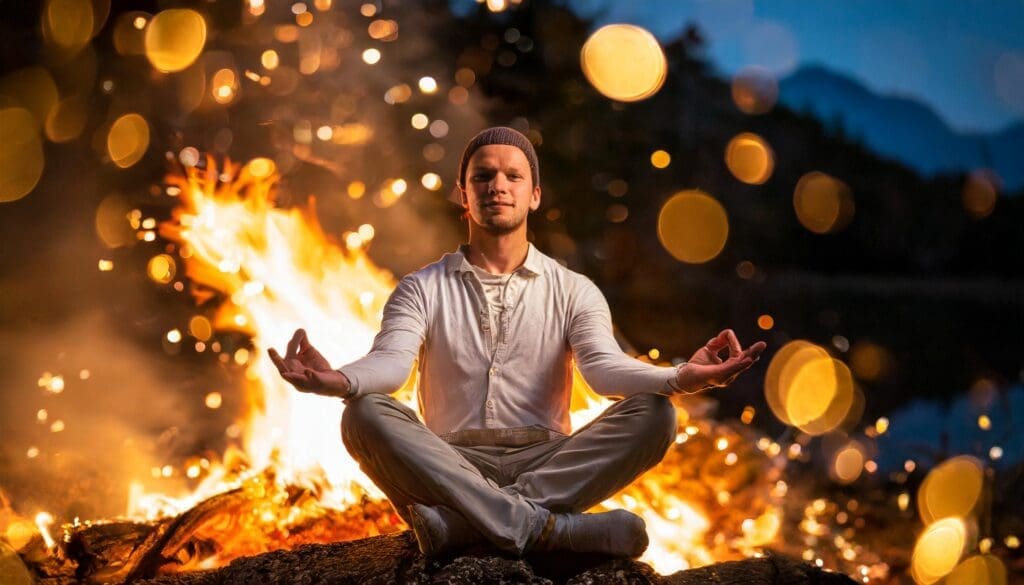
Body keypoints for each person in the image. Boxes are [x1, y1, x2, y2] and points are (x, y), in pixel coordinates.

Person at [269, 127, 765, 559]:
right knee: (362, 413)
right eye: (482, 176)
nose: (497, 186)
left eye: (513, 176)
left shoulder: (573, 289)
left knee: (657, 414)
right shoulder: (421, 287)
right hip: (450, 464)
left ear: (534, 195)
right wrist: (338, 381)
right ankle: (537, 525)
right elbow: (391, 364)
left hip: (548, 461)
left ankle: (468, 525)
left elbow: (604, 370)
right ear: (463, 194)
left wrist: (679, 378)